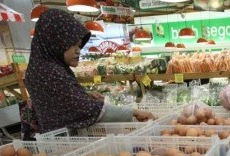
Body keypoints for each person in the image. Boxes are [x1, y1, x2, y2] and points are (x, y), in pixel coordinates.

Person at [25, 9, 154, 135]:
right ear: (56, 42)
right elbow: (86, 110)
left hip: (60, 140)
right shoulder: (49, 72)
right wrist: (133, 112)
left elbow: (58, 102)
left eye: (79, 45)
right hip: (65, 143)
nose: (78, 50)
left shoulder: (42, 66)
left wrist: (82, 94)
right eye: (72, 45)